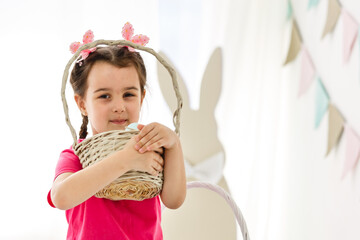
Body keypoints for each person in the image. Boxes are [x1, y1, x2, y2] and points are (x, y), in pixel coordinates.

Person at [47, 37, 186, 239]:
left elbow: (174, 200)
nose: (119, 106)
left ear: (142, 97)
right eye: (104, 96)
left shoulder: (151, 147)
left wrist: (174, 144)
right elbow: (61, 197)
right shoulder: (76, 155)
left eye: (129, 94)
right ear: (82, 104)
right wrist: (127, 158)